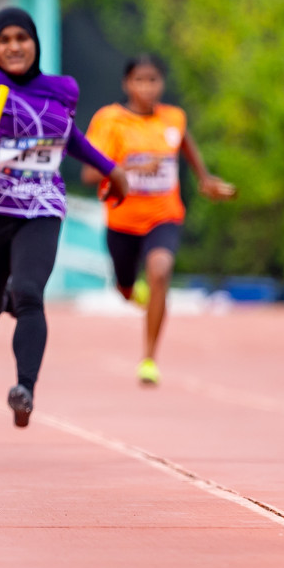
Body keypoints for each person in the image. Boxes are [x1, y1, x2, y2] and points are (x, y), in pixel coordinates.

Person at [0, 7, 128, 428]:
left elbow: (67, 136)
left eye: (22, 38)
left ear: (35, 43)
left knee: (30, 291)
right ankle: (3, 299)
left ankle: (25, 389)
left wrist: (111, 167)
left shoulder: (63, 89)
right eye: (4, 40)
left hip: (42, 202)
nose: (14, 46)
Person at [82, 55, 236, 385]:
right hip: (122, 220)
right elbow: (89, 173)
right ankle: (130, 290)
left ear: (162, 83)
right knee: (125, 290)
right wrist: (133, 169)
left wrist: (204, 178)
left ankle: (149, 358)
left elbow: (184, 142)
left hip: (163, 216)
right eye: (140, 80)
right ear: (126, 83)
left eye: (153, 80)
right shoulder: (110, 120)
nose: (147, 88)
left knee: (160, 271)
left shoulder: (173, 119)